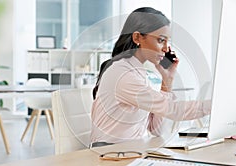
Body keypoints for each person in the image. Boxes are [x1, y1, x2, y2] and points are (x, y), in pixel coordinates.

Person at [90, 7, 210, 144]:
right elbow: (173, 110)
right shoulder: (122, 74)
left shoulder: (138, 71)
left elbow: (157, 130)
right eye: (161, 40)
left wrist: (167, 81)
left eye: (167, 42)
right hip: (109, 154)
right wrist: (214, 106)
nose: (166, 49)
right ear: (137, 37)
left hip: (132, 150)